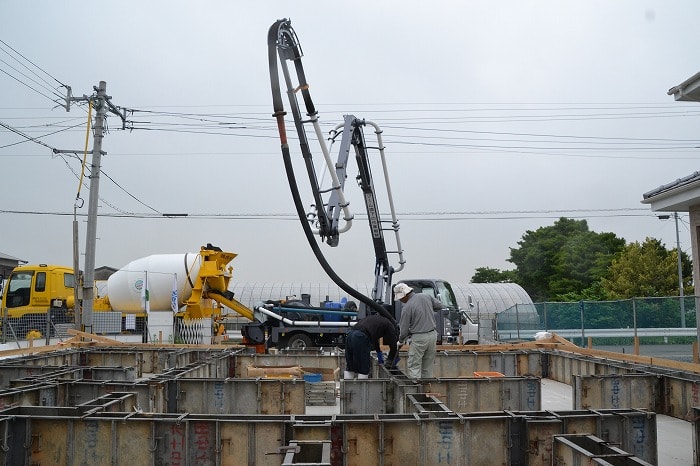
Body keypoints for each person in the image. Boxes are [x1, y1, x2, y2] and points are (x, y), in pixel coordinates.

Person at [394, 282, 442, 379]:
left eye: (400, 298)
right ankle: (427, 388)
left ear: (404, 295)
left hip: (419, 338)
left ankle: (415, 390)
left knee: (414, 365)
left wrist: (401, 340)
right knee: (428, 366)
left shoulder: (407, 308)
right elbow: (439, 306)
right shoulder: (426, 296)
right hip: (432, 336)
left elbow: (404, 329)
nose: (400, 300)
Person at [344, 313, 399, 379]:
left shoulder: (376, 320)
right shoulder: (390, 325)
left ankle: (347, 387)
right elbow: (393, 345)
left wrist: (379, 352)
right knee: (363, 368)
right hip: (360, 337)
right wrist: (392, 360)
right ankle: (362, 388)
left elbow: (374, 339)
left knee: (350, 366)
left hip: (350, 335)